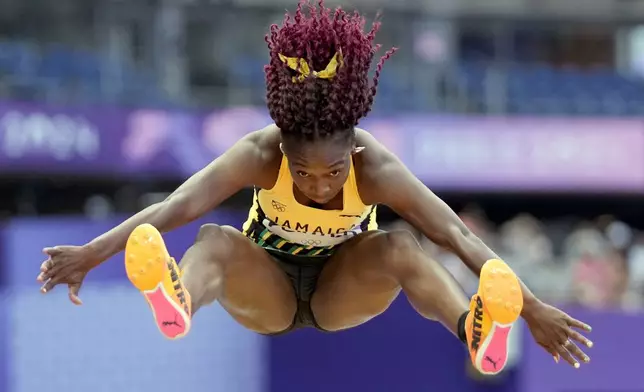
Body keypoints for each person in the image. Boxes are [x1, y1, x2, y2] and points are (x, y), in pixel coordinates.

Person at [36, 0, 592, 375]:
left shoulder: (377, 168)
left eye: (333, 173)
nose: (320, 185)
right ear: (284, 152)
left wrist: (532, 308)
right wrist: (92, 253)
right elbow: (176, 205)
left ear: (354, 153)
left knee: (402, 245)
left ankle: (475, 332)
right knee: (213, 235)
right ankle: (177, 300)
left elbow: (456, 233)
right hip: (269, 289)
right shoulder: (259, 153)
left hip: (341, 292)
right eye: (303, 173)